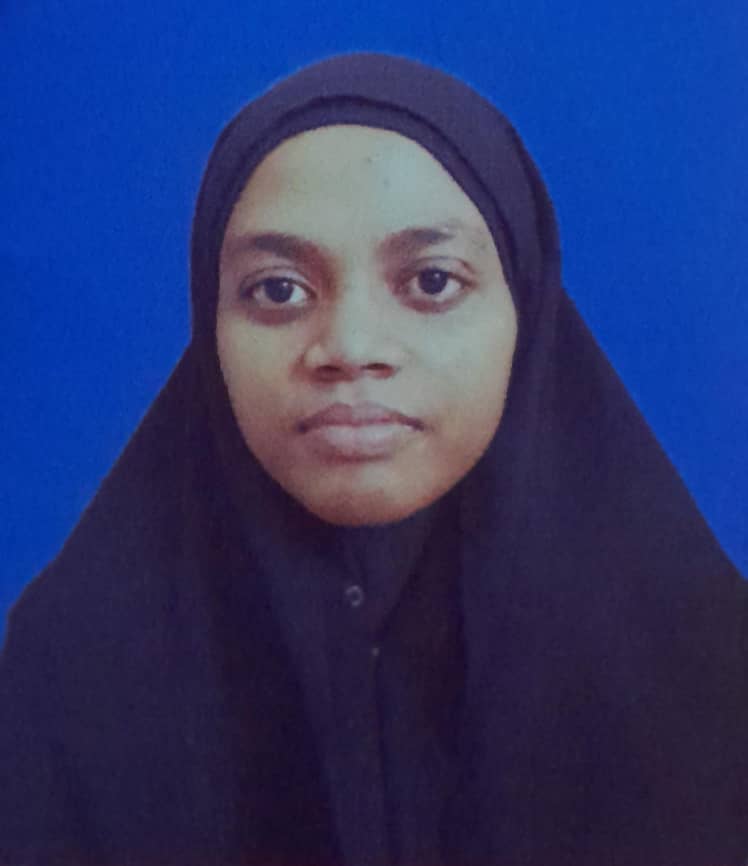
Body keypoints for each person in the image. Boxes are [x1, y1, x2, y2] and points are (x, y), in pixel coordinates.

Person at [1, 52, 746, 866]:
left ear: (526, 311)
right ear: (211, 328)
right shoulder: (70, 670)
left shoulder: (702, 661)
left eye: (432, 281)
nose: (351, 347)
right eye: (278, 290)